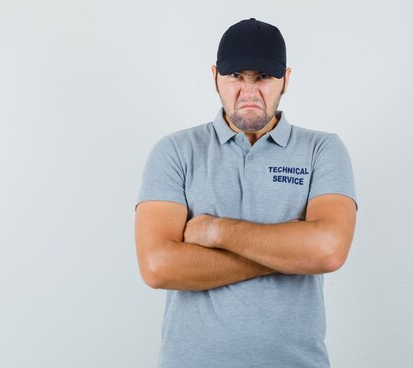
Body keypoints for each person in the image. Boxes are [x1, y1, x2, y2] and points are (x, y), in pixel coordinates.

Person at [134, 18, 358, 368]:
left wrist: (212, 231)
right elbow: (158, 267)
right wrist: (289, 252)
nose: (249, 92)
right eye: (236, 76)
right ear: (215, 78)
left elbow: (327, 251)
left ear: (286, 79)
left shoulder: (322, 150)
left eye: (264, 77)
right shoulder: (176, 151)